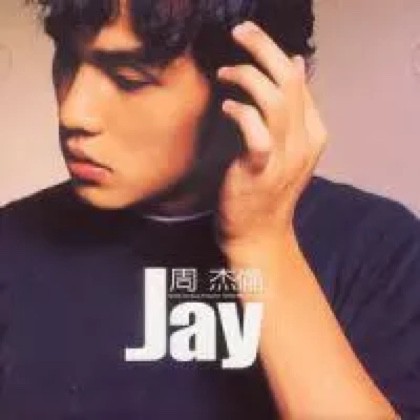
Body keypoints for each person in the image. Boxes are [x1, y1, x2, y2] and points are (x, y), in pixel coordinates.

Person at [0, 0, 418, 418]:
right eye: (67, 59)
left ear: (251, 86)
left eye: (129, 79)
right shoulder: (10, 247)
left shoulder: (381, 255)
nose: (73, 112)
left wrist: (262, 244)